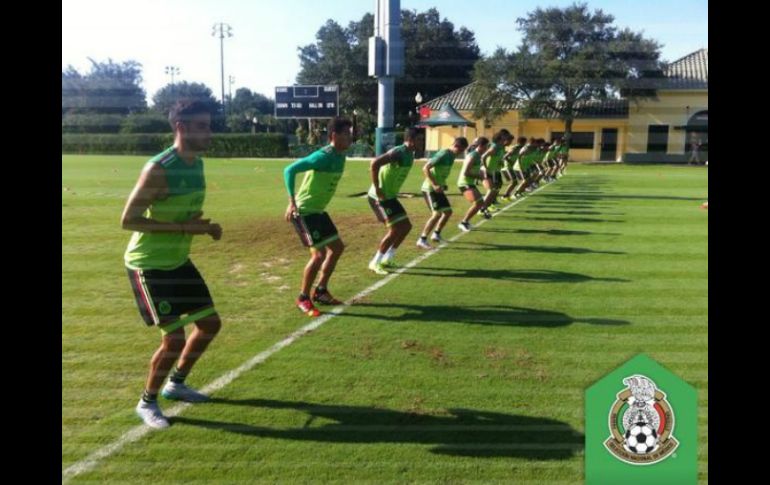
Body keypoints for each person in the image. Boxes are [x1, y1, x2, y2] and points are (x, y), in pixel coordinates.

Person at [122, 99, 223, 429]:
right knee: (174, 339)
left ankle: (176, 384)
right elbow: (129, 220)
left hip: (178, 260)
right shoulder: (159, 168)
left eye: (209, 126)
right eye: (202, 127)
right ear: (181, 128)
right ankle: (147, 402)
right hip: (148, 264)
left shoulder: (197, 164)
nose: (209, 132)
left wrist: (203, 226)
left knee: (209, 324)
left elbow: (184, 213)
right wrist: (184, 228)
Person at [284, 117, 353, 316]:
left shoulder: (341, 156)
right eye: (346, 134)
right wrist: (292, 201)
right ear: (334, 136)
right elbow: (290, 170)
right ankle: (303, 298)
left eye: (350, 133)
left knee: (337, 248)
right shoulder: (322, 157)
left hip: (319, 211)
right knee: (319, 255)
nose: (350, 137)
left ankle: (321, 291)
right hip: (304, 211)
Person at [367, 128, 421, 274]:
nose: (421, 143)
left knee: (406, 227)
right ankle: (375, 262)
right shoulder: (399, 152)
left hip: (390, 197)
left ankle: (388, 257)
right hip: (379, 197)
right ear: (410, 140)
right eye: (419, 140)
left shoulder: (410, 154)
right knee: (395, 229)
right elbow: (375, 163)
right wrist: (377, 188)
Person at [416, 137, 468, 248]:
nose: (461, 153)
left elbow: (440, 172)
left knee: (448, 212)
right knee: (436, 214)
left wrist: (442, 184)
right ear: (456, 146)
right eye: (461, 150)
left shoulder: (452, 156)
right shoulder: (444, 153)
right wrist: (434, 184)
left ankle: (436, 234)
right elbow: (426, 168)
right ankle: (422, 239)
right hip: (429, 189)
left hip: (438, 189)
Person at [456, 136, 491, 231]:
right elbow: (466, 172)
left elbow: (474, 169)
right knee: (478, 203)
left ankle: (465, 222)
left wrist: (481, 173)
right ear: (480, 146)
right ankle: (463, 223)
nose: (487, 149)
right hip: (464, 183)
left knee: (480, 203)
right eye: (486, 146)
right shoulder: (474, 155)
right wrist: (480, 177)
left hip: (469, 182)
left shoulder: (478, 155)